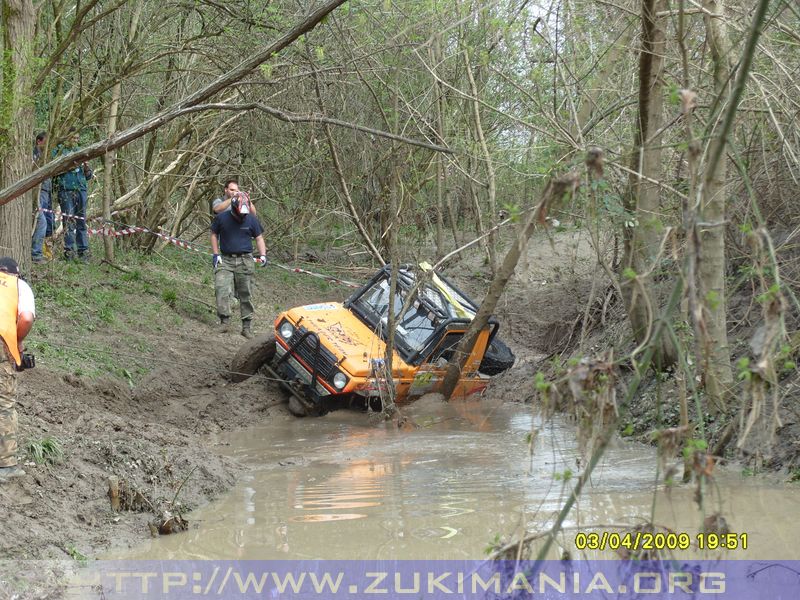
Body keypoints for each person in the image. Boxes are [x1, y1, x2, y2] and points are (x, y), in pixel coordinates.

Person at [210, 192, 267, 339]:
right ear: (234, 208)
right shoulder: (222, 218)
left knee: (245, 293)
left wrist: (263, 255)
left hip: (245, 260)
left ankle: (246, 326)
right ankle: (224, 322)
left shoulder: (251, 220)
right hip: (226, 260)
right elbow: (213, 234)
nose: (242, 217)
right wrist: (216, 254)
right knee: (221, 288)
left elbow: (259, 238)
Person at [0, 257, 36, 483]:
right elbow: (25, 317)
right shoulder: (19, 286)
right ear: (16, 273)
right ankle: (7, 465)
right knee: (4, 403)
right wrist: (16, 342)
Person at [52, 128, 93, 262]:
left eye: (77, 138)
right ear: (67, 138)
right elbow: (54, 172)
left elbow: (88, 176)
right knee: (68, 220)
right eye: (73, 138)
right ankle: (69, 251)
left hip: (81, 189)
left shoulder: (81, 152)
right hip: (66, 189)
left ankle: (83, 251)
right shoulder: (59, 151)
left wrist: (86, 167)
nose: (76, 140)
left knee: (81, 220)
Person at [31, 132, 55, 263]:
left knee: (48, 222)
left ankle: (44, 252)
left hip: (47, 191)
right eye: (46, 142)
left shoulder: (47, 156)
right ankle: (36, 254)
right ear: (39, 142)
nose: (47, 146)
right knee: (41, 221)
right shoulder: (34, 156)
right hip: (37, 192)